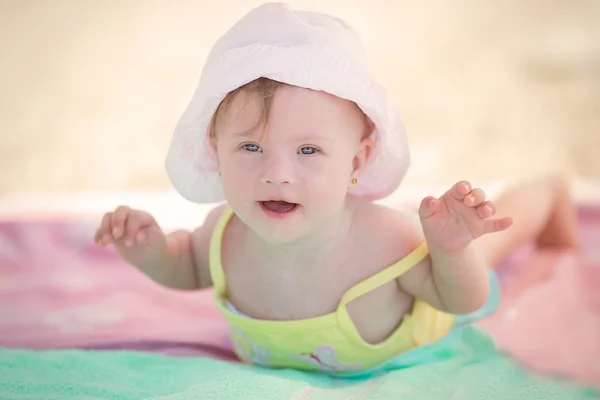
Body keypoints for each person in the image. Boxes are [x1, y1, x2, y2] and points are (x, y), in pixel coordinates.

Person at [94, 3, 579, 373]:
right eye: (250, 148)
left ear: (358, 159)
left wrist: (450, 251)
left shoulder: (388, 241)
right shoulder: (222, 234)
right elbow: (185, 266)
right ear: (214, 148)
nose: (277, 174)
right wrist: (151, 250)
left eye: (308, 151)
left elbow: (461, 301)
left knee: (488, 244)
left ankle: (547, 194)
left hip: (433, 307)